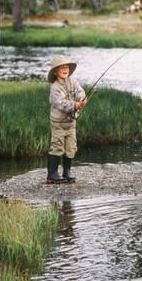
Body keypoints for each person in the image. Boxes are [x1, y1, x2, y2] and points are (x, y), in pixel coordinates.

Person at [46, 54, 86, 184]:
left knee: (71, 147)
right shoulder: (55, 88)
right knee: (57, 146)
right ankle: (52, 175)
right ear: (55, 72)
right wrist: (75, 105)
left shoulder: (73, 81)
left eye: (66, 67)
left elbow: (81, 91)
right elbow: (61, 103)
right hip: (58, 123)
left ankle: (67, 172)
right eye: (62, 67)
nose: (65, 69)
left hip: (71, 122)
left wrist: (81, 100)